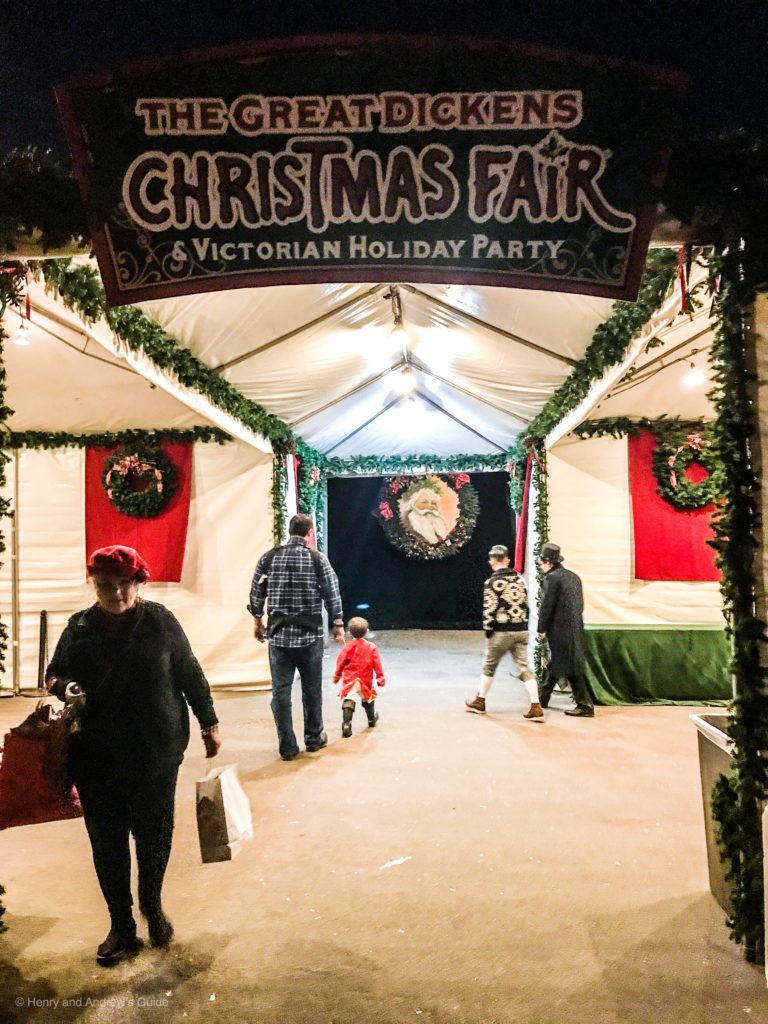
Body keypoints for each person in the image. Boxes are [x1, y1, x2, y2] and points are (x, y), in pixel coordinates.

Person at [46, 545, 221, 966]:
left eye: (124, 584)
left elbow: (188, 670)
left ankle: (153, 906)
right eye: (106, 586)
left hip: (156, 751)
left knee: (154, 834)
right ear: (95, 585)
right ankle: (121, 926)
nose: (116, 593)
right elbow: (54, 674)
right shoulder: (80, 627)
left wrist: (209, 721)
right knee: (107, 841)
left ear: (138, 582)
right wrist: (67, 688)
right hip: (97, 754)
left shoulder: (160, 621)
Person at [249, 513, 344, 761]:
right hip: (310, 637)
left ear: (290, 531)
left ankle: (287, 747)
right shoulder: (317, 559)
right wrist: (338, 623)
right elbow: (331, 591)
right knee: (311, 690)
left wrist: (257, 620)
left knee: (280, 693)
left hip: (279, 638)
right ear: (309, 533)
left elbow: (256, 590)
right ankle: (313, 739)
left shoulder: (269, 558)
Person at [465, 544, 543, 721]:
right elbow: (526, 604)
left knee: (489, 666)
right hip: (521, 630)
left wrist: (488, 630)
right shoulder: (519, 580)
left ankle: (480, 701)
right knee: (524, 668)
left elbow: (489, 609)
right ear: (507, 560)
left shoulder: (492, 583)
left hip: (501, 632)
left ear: (492, 561)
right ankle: (535, 705)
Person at [536, 542, 594, 718]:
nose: (540, 564)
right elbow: (580, 605)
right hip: (575, 627)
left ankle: (585, 706)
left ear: (547, 562)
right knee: (556, 664)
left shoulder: (552, 578)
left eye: (541, 561)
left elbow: (547, 606)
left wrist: (541, 628)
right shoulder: (574, 577)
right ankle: (541, 698)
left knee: (571, 668)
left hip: (559, 629)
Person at [333, 617, 386, 737]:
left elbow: (340, 662)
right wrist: (380, 678)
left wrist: (337, 675)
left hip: (350, 681)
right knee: (368, 699)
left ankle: (346, 725)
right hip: (365, 680)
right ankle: (371, 719)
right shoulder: (372, 647)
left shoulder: (347, 647)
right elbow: (377, 664)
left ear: (349, 632)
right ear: (367, 631)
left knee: (349, 700)